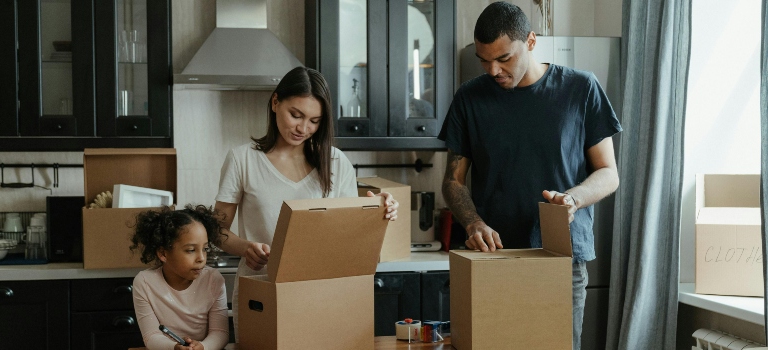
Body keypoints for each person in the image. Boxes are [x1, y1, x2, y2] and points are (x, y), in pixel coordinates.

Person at [438, 2, 622, 349]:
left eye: (504, 58)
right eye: (483, 59)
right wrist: (473, 222)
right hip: (494, 259)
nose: (493, 70)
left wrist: (574, 199)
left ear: (532, 42)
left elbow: (608, 173)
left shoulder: (581, 89)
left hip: (560, 260)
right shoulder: (469, 98)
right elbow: (453, 180)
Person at [213, 66, 400, 339]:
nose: (303, 128)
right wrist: (245, 248)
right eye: (296, 115)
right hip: (261, 291)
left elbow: (350, 237)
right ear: (276, 103)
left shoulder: (336, 162)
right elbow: (216, 230)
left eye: (314, 121)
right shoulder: (243, 160)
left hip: (321, 294)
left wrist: (376, 210)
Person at [130, 204, 229, 350]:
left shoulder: (213, 280)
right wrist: (173, 347)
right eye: (190, 250)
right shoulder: (144, 283)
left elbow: (220, 333)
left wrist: (203, 347)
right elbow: (151, 336)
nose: (201, 258)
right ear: (163, 253)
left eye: (205, 249)